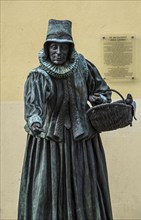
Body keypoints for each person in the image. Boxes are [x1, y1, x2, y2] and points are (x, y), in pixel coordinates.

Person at [18, 19, 113, 220]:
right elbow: (33, 105)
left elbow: (103, 90)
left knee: (84, 185)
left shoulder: (84, 67)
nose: (58, 52)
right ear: (47, 48)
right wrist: (35, 121)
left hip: (82, 143)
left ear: (70, 49)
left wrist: (99, 98)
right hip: (50, 144)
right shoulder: (38, 75)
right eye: (54, 47)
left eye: (63, 47)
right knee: (47, 188)